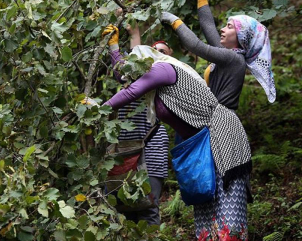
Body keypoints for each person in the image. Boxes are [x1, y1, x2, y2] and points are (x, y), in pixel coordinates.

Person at [104, 45, 251, 239]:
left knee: (226, 207)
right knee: (205, 202)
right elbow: (124, 77)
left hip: (221, 135)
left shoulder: (162, 69)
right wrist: (113, 48)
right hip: (200, 141)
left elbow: (130, 91)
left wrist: (99, 109)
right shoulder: (154, 83)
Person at [163, 0, 276, 113]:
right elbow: (208, 25)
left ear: (241, 36)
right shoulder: (231, 54)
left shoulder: (232, 57)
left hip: (222, 122)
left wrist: (173, 20)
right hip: (217, 116)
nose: (222, 29)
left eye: (229, 27)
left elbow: (196, 46)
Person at [102, 24, 170, 225]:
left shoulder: (161, 73)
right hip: (124, 151)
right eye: (152, 49)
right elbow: (130, 67)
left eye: (161, 52)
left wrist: (120, 45)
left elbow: (128, 71)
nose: (154, 54)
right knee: (123, 210)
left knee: (148, 208)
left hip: (151, 147)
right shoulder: (133, 78)